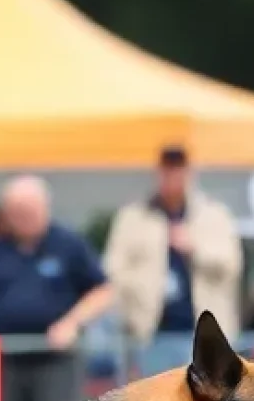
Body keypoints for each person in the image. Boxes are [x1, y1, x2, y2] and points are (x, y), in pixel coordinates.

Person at [0, 176, 116, 401]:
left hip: (55, 359)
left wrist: (71, 322)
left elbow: (103, 291)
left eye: (29, 209)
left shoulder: (68, 244)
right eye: (17, 211)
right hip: (8, 360)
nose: (23, 217)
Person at [104, 145, 243, 376]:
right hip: (149, 334)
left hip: (204, 336)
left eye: (178, 169)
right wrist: (136, 297)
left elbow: (231, 266)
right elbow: (113, 269)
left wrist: (194, 249)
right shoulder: (133, 217)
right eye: (166, 170)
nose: (172, 177)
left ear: (190, 173)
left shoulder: (215, 214)